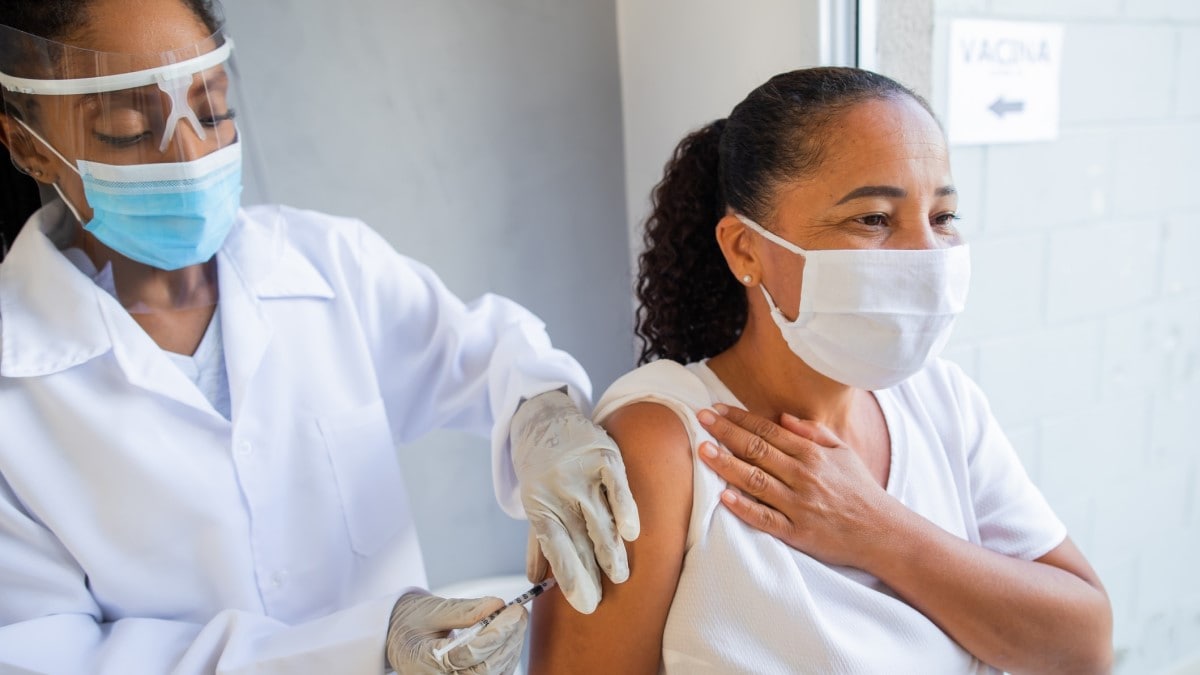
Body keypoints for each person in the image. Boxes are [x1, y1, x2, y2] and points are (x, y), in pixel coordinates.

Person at [0, 1, 640, 673]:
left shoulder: (324, 264)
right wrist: (367, 644)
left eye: (212, 111)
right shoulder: (17, 389)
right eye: (129, 129)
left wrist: (542, 413)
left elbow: (482, 355)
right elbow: (44, 652)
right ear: (23, 142)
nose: (189, 157)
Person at [528, 67, 1113, 674]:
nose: (926, 258)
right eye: (874, 219)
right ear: (744, 249)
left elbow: (1083, 648)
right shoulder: (662, 445)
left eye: (942, 218)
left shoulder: (943, 402)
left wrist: (876, 529)